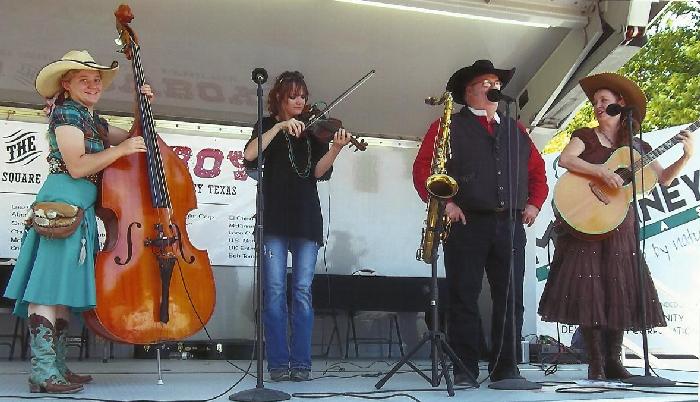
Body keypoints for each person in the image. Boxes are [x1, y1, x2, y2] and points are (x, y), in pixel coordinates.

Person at [3, 50, 152, 393]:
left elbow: (133, 136)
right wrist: (120, 151)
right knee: (47, 289)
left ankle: (55, 366)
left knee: (62, 292)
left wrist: (141, 103)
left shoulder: (90, 117)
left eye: (96, 79)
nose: (93, 84)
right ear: (66, 85)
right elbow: (79, 166)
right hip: (64, 206)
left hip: (78, 210)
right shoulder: (68, 112)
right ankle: (43, 371)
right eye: (83, 79)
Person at [538, 72, 694, 380]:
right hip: (586, 222)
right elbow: (567, 161)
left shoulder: (638, 145)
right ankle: (595, 362)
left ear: (620, 105)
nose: (597, 106)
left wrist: (686, 156)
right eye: (595, 102)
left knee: (618, 288)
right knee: (589, 288)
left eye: (604, 101)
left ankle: (614, 361)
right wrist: (599, 172)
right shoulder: (585, 135)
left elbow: (663, 179)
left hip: (620, 223)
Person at [413, 60, 548, 384]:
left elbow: (537, 173)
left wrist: (534, 203)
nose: (493, 87)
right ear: (469, 91)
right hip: (466, 223)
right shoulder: (446, 126)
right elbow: (423, 171)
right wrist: (446, 205)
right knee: (463, 295)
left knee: (510, 297)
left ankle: (505, 369)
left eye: (495, 82)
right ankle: (464, 368)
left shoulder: (516, 129)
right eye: (485, 82)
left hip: (510, 224)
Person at [243, 71, 351, 382]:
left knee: (302, 292)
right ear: (278, 98)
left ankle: (301, 364)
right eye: (293, 95)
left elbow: (317, 172)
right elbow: (249, 154)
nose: (300, 100)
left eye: (303, 95)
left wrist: (335, 149)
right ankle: (278, 363)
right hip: (274, 221)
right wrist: (277, 127)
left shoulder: (313, 132)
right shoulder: (267, 127)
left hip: (306, 221)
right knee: (275, 292)